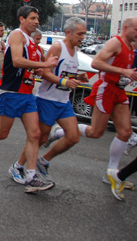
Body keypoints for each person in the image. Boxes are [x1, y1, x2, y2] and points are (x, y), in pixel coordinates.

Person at [46, 16, 137, 197]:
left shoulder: (132, 46)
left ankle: (113, 174)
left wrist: (127, 74)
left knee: (125, 132)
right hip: (105, 88)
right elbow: (96, 63)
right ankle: (59, 132)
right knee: (96, 132)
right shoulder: (115, 43)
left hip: (119, 91)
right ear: (125, 28)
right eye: (136, 30)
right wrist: (122, 71)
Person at [0, 6, 58, 193]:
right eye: (32, 18)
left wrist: (63, 78)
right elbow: (16, 61)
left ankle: (29, 175)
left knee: (35, 134)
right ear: (22, 19)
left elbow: (36, 68)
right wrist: (43, 64)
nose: (36, 21)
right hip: (12, 92)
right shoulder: (17, 35)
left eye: (37, 18)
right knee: (1, 133)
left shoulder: (33, 44)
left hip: (27, 94)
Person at [11, 18, 88, 186]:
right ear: (69, 32)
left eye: (84, 33)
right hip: (48, 100)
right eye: (80, 33)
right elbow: (45, 72)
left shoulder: (75, 50)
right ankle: (17, 166)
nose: (83, 37)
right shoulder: (58, 47)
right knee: (39, 138)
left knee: (73, 137)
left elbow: (65, 74)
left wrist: (77, 78)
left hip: (64, 101)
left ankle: (44, 160)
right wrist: (64, 82)